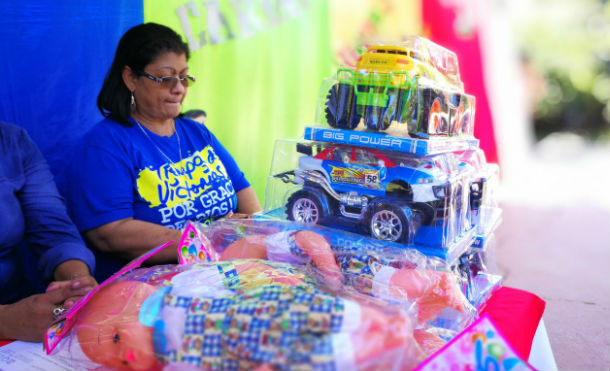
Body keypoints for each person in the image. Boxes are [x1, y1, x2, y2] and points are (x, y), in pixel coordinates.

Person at [66, 23, 261, 278]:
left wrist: (257, 232)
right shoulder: (104, 145)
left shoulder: (196, 132)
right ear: (130, 78)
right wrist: (207, 238)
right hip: (148, 292)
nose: (179, 88)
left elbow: (244, 193)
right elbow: (110, 233)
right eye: (166, 78)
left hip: (226, 270)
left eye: (184, 77)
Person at [0, 121, 97, 342]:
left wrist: (77, 283)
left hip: (19, 311)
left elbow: (53, 230)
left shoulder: (12, 140)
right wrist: (5, 320)